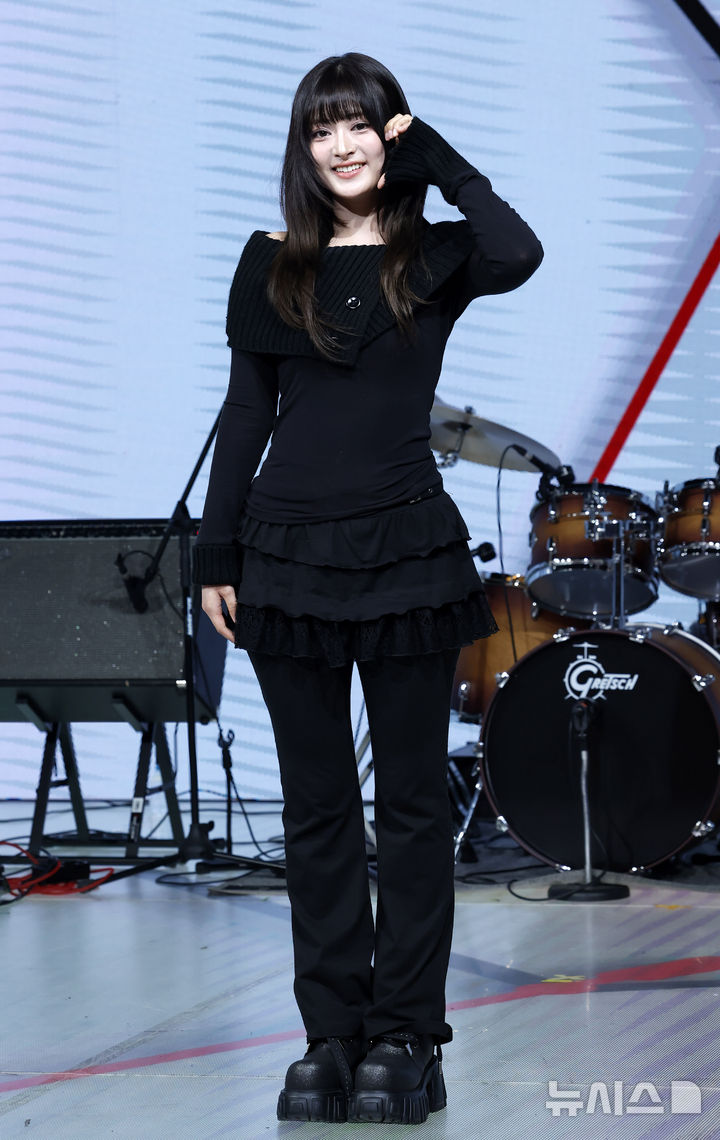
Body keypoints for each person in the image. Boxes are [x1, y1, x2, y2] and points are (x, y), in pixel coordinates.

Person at [193, 52, 542, 1126]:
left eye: (360, 125)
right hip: (284, 557)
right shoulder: (270, 265)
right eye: (321, 128)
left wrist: (430, 154)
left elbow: (519, 248)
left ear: (389, 137)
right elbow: (244, 414)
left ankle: (406, 1037)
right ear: (300, 148)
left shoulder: (434, 257)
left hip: (405, 554)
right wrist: (215, 555)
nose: (340, 146)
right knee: (316, 809)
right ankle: (331, 1036)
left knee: (413, 805)